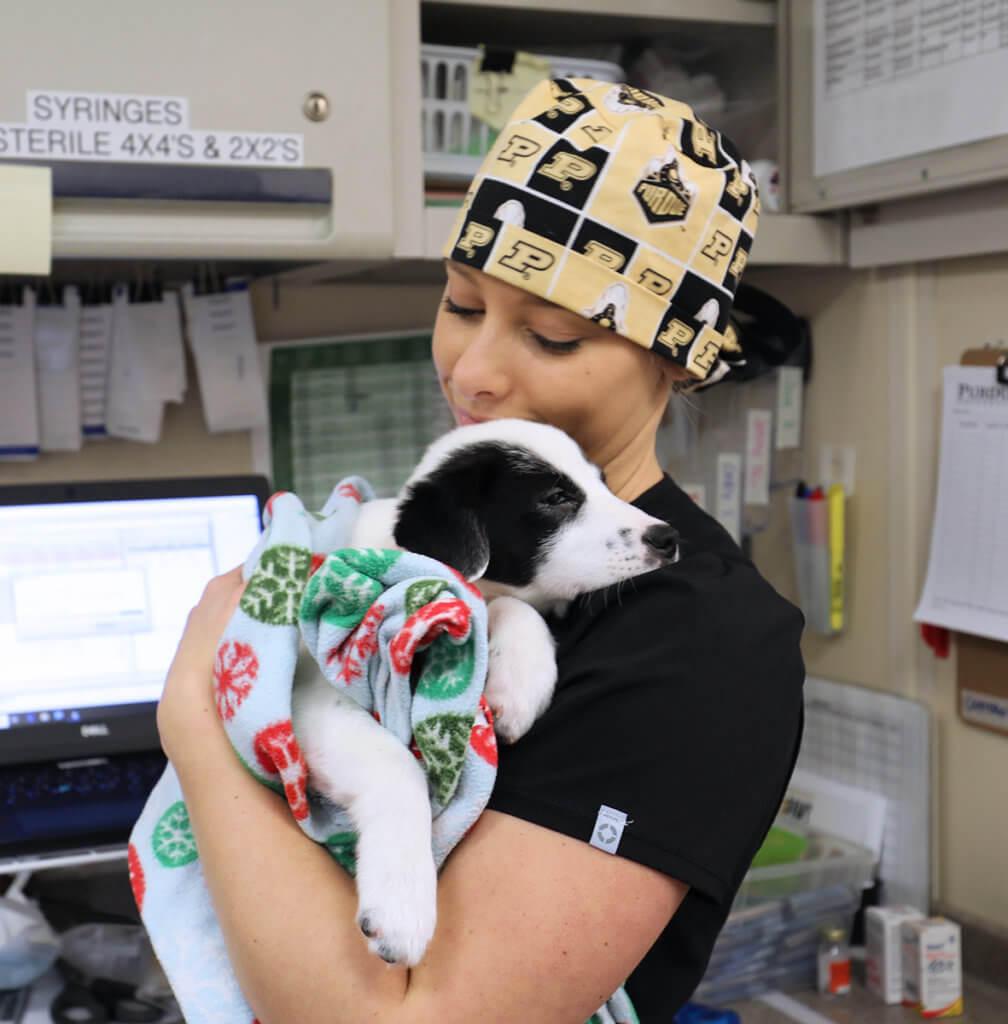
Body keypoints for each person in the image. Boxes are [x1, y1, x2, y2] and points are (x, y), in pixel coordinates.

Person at [156, 77, 805, 1023]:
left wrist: (195, 719)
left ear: (673, 355)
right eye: (462, 306)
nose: (473, 372)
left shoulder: (698, 639)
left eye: (549, 334)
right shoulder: (443, 530)